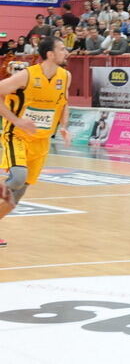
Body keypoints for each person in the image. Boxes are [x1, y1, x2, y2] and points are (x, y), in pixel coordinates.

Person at [0, 37, 72, 247]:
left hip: (41, 141)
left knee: (16, 196)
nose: (66, 52)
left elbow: (64, 102)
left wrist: (64, 127)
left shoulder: (65, 76)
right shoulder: (27, 75)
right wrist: (16, 121)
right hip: (17, 135)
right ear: (50, 54)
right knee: (18, 176)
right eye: (61, 49)